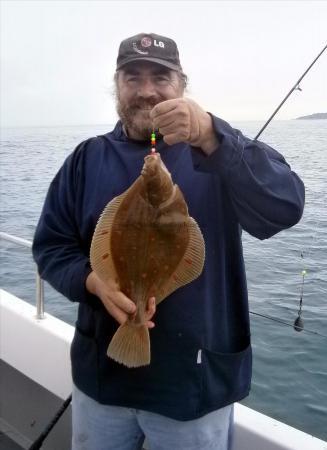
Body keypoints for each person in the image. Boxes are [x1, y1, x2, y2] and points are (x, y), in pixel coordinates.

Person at [32, 32, 305, 450]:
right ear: (117, 85)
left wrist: (213, 136)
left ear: (182, 85)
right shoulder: (86, 159)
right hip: (102, 383)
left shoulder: (221, 152)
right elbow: (51, 246)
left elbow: (286, 208)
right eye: (132, 77)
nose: (146, 91)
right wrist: (94, 282)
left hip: (194, 388)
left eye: (160, 77)